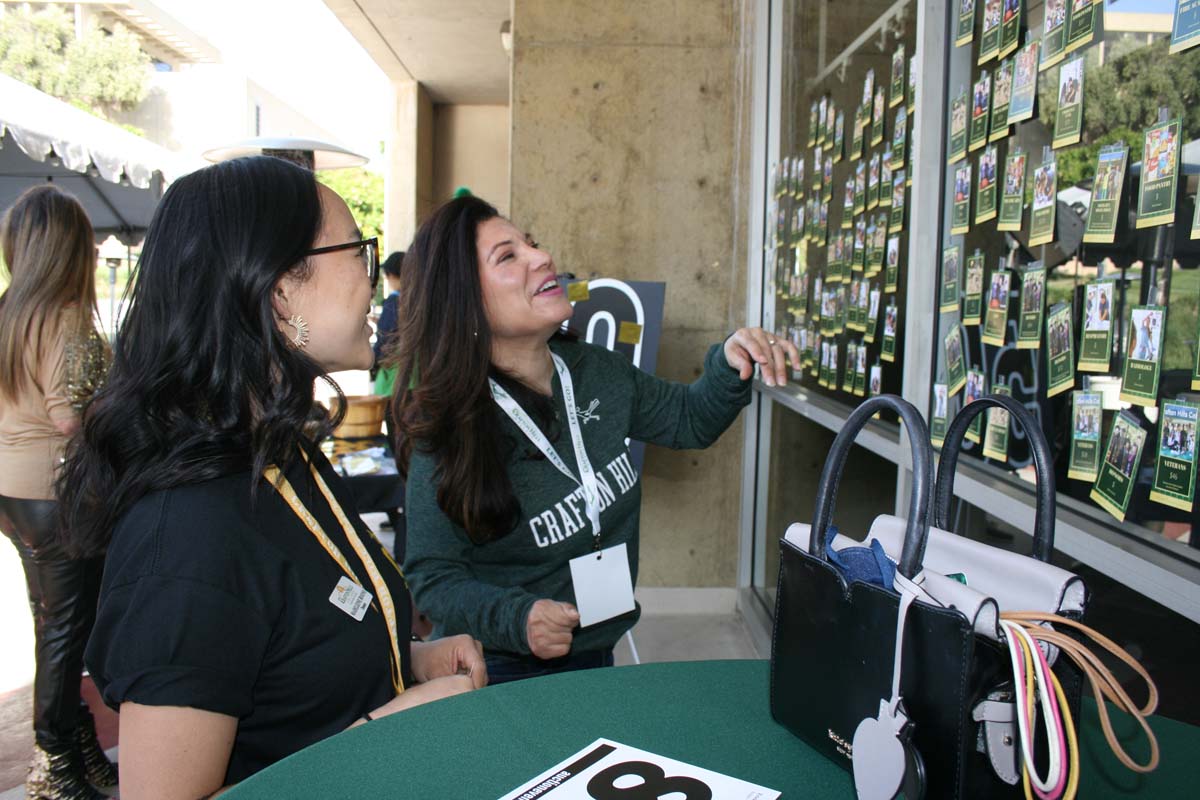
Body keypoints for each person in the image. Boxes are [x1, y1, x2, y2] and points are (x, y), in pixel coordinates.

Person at [57, 157, 486, 799]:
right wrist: (382, 734)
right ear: (282, 289)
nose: (375, 284)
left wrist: (407, 662)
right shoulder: (188, 538)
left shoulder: (276, 453)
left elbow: (298, 650)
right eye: (357, 253)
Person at [395, 196, 800, 684]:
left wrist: (730, 361)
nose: (541, 258)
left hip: (596, 650)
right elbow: (432, 575)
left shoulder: (598, 371)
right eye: (508, 256)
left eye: (532, 243)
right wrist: (518, 618)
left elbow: (688, 419)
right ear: (465, 303)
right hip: (498, 669)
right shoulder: (447, 428)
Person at [0, 186, 116, 800]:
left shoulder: (9, 311)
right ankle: (56, 762)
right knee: (68, 632)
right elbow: (70, 415)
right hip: (57, 493)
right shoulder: (66, 314)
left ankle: (78, 746)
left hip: (14, 495)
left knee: (53, 625)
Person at [371, 250, 404, 398]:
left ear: (391, 275)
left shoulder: (393, 301)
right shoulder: (418, 299)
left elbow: (386, 337)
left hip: (394, 379)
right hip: (418, 378)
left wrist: (373, 361)